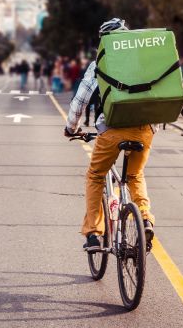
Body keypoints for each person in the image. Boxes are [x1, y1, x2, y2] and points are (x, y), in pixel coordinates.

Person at [64, 18, 155, 251]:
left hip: (112, 130)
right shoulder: (144, 61)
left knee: (95, 176)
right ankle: (145, 218)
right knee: (135, 175)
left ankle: (94, 234)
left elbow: (80, 101)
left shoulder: (99, 65)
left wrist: (71, 128)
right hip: (144, 129)